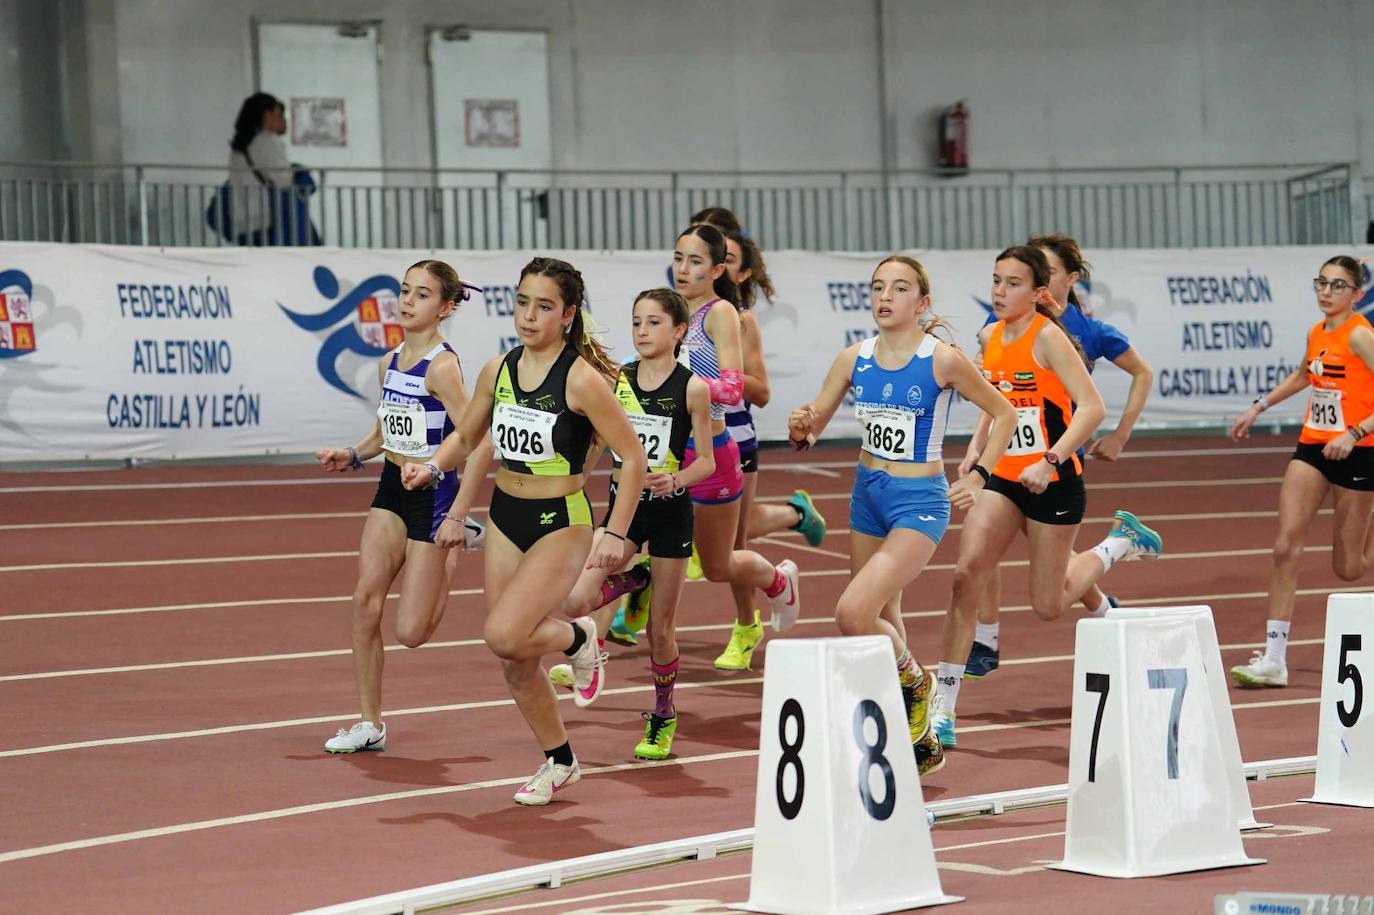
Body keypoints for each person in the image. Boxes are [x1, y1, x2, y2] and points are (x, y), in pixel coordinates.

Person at [402, 257, 648, 805]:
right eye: (522, 303)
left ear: (567, 315)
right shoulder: (499, 370)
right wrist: (435, 468)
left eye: (543, 307)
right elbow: (467, 437)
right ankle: (559, 761)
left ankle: (581, 636)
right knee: (514, 660)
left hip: (562, 522)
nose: (529, 316)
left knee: (504, 633)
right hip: (507, 516)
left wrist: (615, 531)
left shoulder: (581, 379)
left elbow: (632, 458)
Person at [787, 255, 1017, 775]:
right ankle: (918, 741)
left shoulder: (944, 360)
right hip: (866, 495)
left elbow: (1003, 412)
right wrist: (801, 425)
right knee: (882, 622)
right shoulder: (853, 358)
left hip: (919, 502)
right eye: (877, 288)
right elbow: (811, 426)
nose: (885, 297)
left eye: (899, 288)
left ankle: (919, 683)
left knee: (852, 614)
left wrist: (980, 475)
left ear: (922, 302)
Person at [932, 245, 1162, 747]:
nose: (999, 291)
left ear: (1038, 293)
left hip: (1054, 481)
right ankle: (942, 707)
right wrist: (976, 452)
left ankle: (1117, 544)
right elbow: (994, 404)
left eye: (1012, 283)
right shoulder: (988, 336)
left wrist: (1050, 459)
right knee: (965, 575)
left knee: (1050, 604)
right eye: (995, 280)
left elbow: (1092, 409)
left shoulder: (1050, 339)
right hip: (1003, 479)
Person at [316, 259, 491, 754]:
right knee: (363, 601)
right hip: (393, 486)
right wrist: (352, 454)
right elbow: (385, 429)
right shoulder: (387, 362)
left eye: (422, 294)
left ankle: (459, 541)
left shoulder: (443, 367)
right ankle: (370, 723)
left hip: (433, 494)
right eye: (404, 291)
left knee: (412, 632)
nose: (408, 302)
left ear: (446, 306)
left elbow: (475, 440)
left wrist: (449, 496)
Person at [548, 288, 717, 759]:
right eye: (636, 322)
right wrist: (580, 471)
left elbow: (706, 461)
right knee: (577, 596)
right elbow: (604, 438)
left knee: (659, 631)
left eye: (654, 323)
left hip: (669, 512)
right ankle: (638, 577)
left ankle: (663, 714)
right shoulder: (618, 379)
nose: (642, 331)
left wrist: (677, 479)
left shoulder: (693, 389)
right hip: (624, 507)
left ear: (678, 331)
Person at [1230, 255, 1374, 688]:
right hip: (1313, 445)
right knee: (1284, 545)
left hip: (1359, 450)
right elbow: (1303, 374)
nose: (1327, 292)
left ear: (1357, 294)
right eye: (1322, 283)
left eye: (1338, 285)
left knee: (1349, 569)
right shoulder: (1318, 332)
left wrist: (1353, 432)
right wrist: (1259, 406)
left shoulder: (1361, 336)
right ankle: (1274, 659)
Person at [672, 224, 801, 670]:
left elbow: (735, 389)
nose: (683, 269)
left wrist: (680, 388)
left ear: (718, 269)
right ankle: (591, 644)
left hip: (722, 446)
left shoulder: (725, 313)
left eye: (695, 261)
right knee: (632, 542)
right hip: (672, 451)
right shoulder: (669, 311)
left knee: (720, 562)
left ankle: (766, 595)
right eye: (678, 258)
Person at [227, 92, 317, 246]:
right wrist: (297, 173)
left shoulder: (237, 148)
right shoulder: (268, 141)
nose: (282, 118)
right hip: (269, 221)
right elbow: (282, 180)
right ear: (266, 114)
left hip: (243, 222)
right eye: (278, 112)